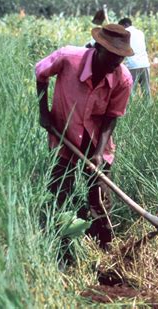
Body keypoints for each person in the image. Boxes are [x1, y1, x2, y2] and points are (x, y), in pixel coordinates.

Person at [35, 24, 134, 249]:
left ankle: (105, 243)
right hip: (64, 133)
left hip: (97, 138)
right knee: (60, 187)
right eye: (111, 55)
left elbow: (112, 116)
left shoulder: (123, 78)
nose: (115, 63)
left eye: (120, 58)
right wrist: (44, 113)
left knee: (99, 192)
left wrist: (99, 153)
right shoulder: (68, 57)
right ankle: (58, 238)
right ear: (97, 47)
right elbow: (40, 73)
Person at [119, 17, 151, 99]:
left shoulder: (125, 33)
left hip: (132, 65)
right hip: (145, 64)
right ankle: (149, 109)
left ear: (125, 25)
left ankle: (132, 110)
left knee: (131, 90)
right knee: (146, 90)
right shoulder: (140, 33)